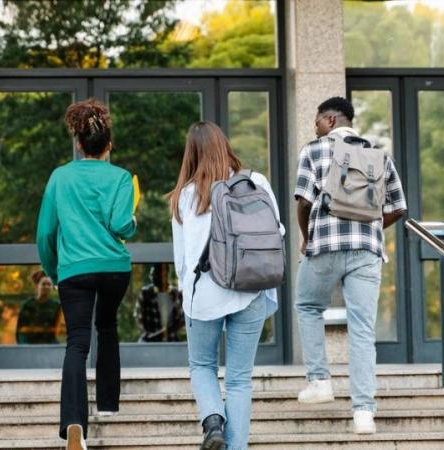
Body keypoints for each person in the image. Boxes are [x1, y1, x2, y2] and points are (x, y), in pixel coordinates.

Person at [293, 97, 406, 434]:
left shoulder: (313, 151)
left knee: (308, 304)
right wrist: (369, 228)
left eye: (316, 121)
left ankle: (319, 381)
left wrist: (306, 236)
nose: (314, 127)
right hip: (366, 252)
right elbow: (399, 207)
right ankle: (363, 413)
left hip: (324, 245)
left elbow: (303, 200)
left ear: (330, 119)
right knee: (362, 329)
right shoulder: (378, 154)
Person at [169, 121, 283, 450]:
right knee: (238, 380)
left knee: (202, 364)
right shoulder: (255, 182)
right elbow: (279, 234)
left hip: (204, 293)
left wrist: (186, 297)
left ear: (190, 154)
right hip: (251, 289)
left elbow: (181, 260)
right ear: (224, 145)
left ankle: (213, 421)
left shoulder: (184, 196)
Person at [37, 98, 136, 450]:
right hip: (113, 269)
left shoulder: (60, 177)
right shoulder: (121, 177)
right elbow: (123, 225)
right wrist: (133, 220)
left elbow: (46, 233)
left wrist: (55, 269)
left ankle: (74, 423)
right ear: (108, 145)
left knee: (77, 343)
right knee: (107, 326)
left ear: (79, 144)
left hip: (74, 272)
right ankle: (108, 405)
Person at [135, 264, 184, 342]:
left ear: (164, 275)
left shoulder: (175, 293)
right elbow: (138, 317)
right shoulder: (145, 292)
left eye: (155, 275)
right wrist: (146, 334)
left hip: (170, 341)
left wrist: (161, 333)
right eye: (151, 275)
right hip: (148, 342)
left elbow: (181, 320)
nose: (152, 278)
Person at [16, 270, 61, 344]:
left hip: (49, 345)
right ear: (37, 285)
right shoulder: (27, 305)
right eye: (43, 284)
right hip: (29, 344)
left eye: (49, 284)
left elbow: (58, 329)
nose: (46, 287)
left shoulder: (56, 306)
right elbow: (20, 329)